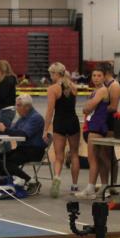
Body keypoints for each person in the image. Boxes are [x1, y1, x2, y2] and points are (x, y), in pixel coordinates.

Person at [76, 64, 120, 199]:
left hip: (97, 127)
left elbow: (88, 108)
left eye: (99, 75)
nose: (96, 78)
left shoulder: (101, 90)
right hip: (97, 125)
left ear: (104, 77)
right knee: (101, 158)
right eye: (94, 75)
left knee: (93, 159)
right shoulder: (96, 90)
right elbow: (88, 107)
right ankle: (104, 186)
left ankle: (91, 188)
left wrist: (87, 106)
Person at [0, 94, 46, 184]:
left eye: (18, 105)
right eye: (16, 105)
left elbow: (23, 135)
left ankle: (30, 181)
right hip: (23, 149)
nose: (16, 108)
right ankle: (9, 180)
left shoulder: (36, 118)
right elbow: (12, 131)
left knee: (8, 162)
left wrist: (5, 129)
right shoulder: (23, 118)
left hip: (34, 151)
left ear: (27, 107)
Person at [44, 62, 81, 197]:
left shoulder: (53, 89)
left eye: (51, 74)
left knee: (59, 156)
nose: (50, 76)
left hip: (60, 122)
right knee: (74, 154)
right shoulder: (73, 87)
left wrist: (45, 129)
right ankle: (75, 185)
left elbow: (50, 111)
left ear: (55, 74)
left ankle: (57, 178)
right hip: (73, 122)